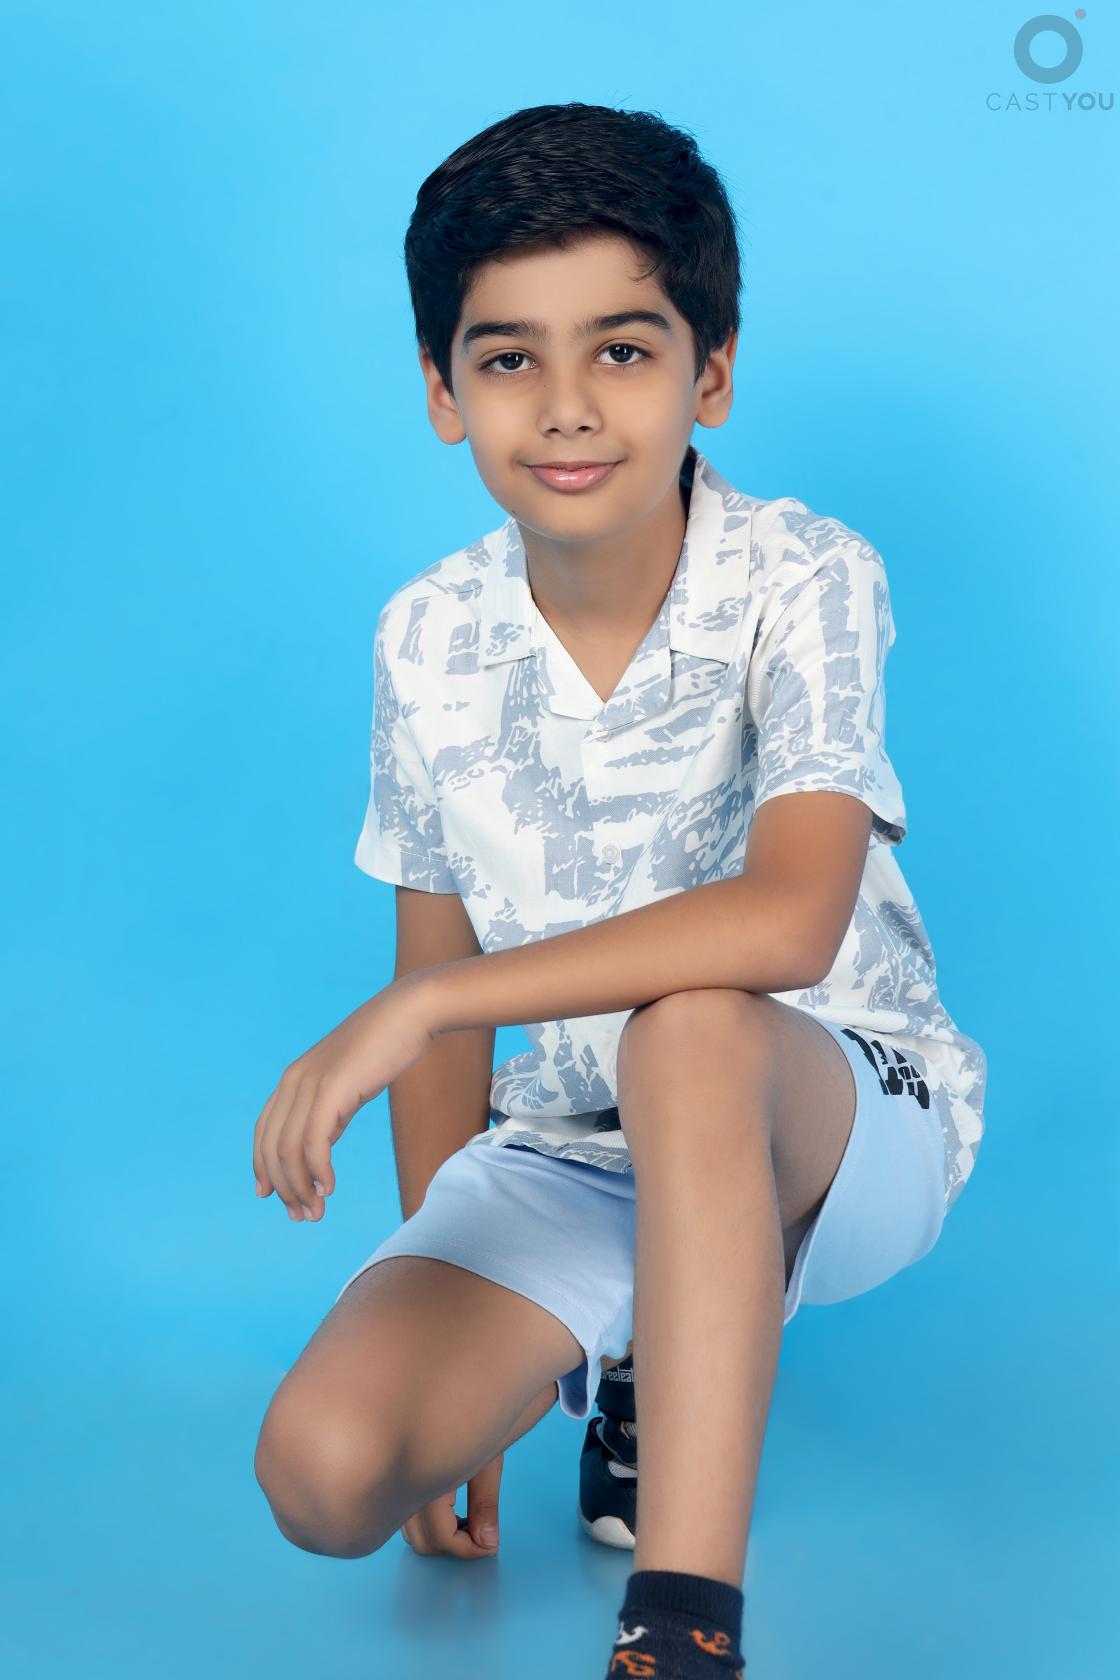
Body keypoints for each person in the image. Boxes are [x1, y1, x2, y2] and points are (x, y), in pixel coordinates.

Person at [251, 102, 987, 1678]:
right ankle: (639, 1349)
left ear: (709, 373)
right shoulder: (423, 637)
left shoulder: (804, 575)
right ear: (443, 391)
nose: (569, 407)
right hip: (577, 1149)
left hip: (833, 1114)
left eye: (626, 351)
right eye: (510, 357)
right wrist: (455, 1332)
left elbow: (788, 919)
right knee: (324, 1474)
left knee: (691, 1031)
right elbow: (439, 971)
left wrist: (427, 1003)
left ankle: (684, 1626)